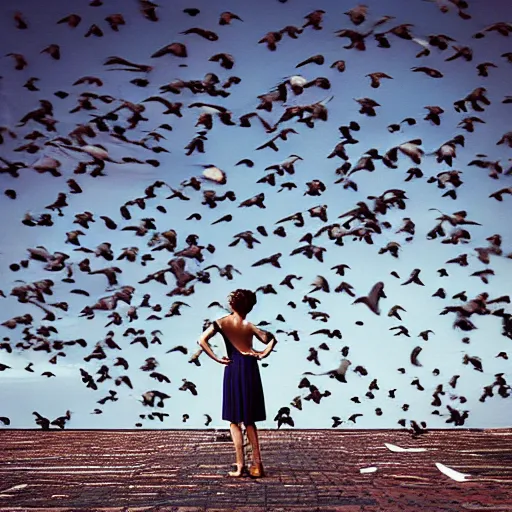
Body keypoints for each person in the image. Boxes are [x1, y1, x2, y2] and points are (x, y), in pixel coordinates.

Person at [198, 288, 278, 478]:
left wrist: (217, 358)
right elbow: (272, 339)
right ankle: (257, 464)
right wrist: (261, 354)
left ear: (232, 304)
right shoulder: (249, 326)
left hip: (233, 368)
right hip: (250, 368)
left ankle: (240, 465)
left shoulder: (221, 322)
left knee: (234, 420)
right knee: (250, 420)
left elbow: (202, 341)